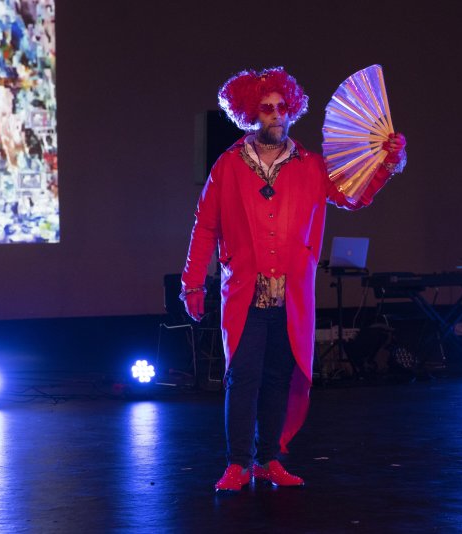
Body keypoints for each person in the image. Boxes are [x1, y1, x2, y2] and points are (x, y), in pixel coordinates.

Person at [181, 67, 407, 492]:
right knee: (242, 377)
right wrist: (193, 282)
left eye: (282, 107)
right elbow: (205, 226)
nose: (276, 115)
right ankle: (238, 463)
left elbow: (352, 196)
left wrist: (386, 163)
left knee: (278, 380)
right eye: (266, 108)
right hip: (245, 295)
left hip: (291, 298)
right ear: (250, 113)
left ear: (292, 110)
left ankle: (267, 459)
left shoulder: (311, 166)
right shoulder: (227, 167)